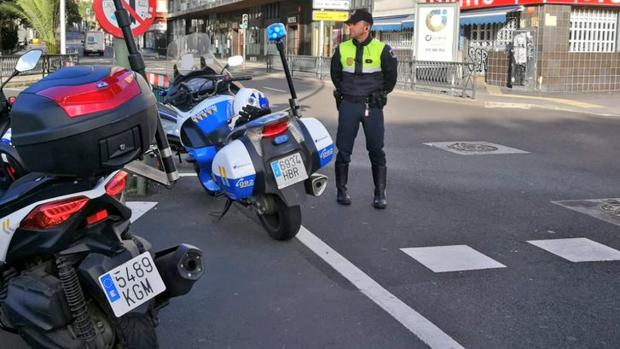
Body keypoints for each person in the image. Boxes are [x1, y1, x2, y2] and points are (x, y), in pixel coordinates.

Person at [330, 9, 398, 209]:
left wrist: (381, 92)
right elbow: (336, 75)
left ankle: (380, 193)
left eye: (353, 23)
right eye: (349, 23)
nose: (349, 26)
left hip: (372, 106)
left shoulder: (382, 49)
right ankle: (341, 191)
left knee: (376, 150)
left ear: (366, 27)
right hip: (349, 104)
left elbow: (391, 77)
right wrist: (345, 92)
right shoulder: (341, 49)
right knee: (343, 150)